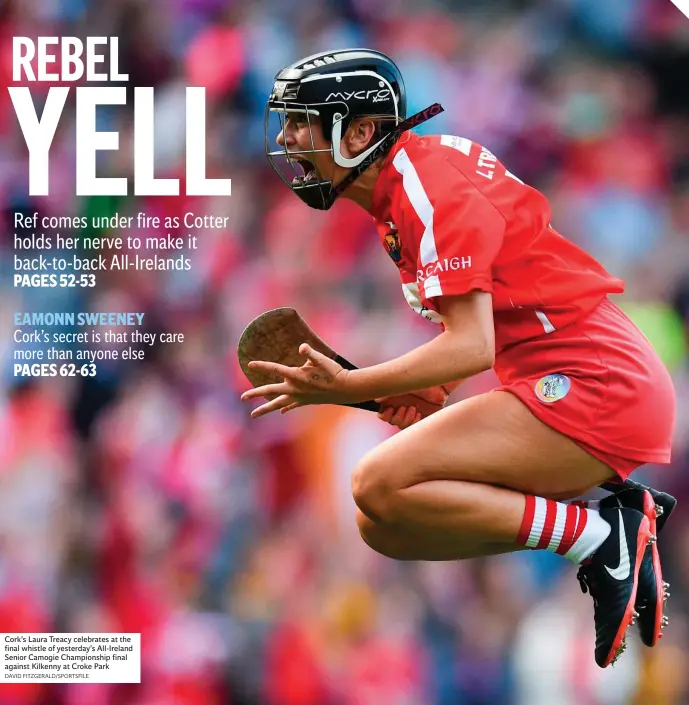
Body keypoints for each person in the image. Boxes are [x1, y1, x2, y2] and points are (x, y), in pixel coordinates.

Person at [241, 49, 677, 668]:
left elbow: (473, 344)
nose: (286, 139)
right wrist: (430, 395)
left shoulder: (423, 188)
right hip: (569, 377)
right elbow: (486, 328)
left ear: (360, 132)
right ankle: (605, 518)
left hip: (595, 382)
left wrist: (347, 386)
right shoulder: (403, 187)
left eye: (302, 122)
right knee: (385, 523)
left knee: (376, 481)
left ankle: (599, 534)